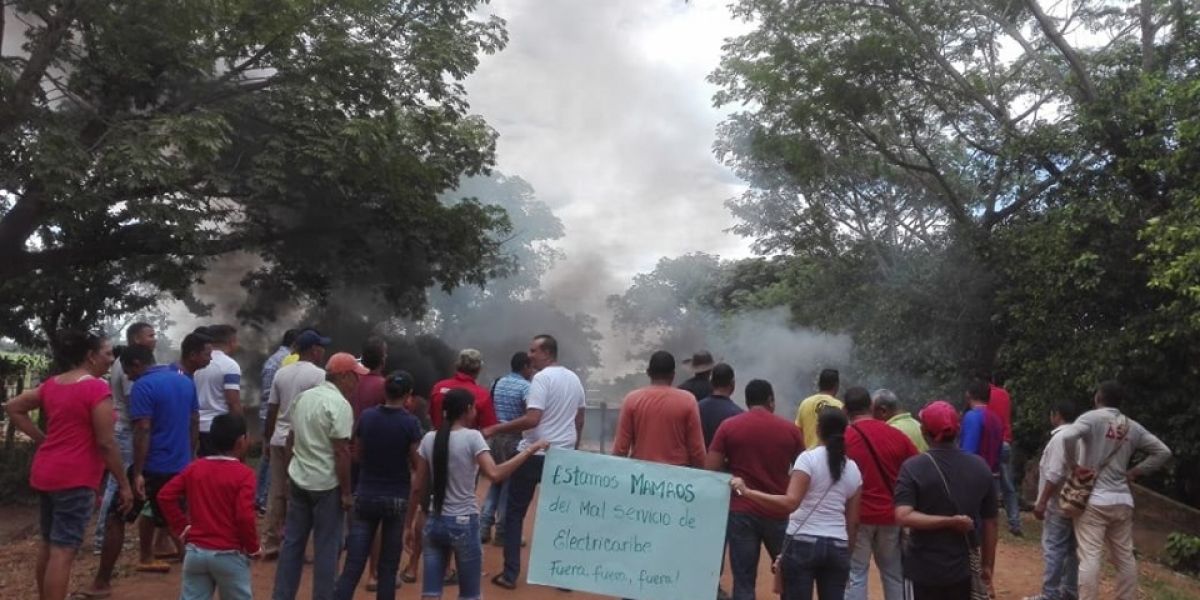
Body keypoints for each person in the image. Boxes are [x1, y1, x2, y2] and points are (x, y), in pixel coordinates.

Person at [5, 330, 133, 600]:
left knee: (50, 544)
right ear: (90, 356)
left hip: (46, 472)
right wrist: (124, 484)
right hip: (75, 477)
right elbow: (107, 444)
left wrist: (44, 440)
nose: (112, 359)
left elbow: (14, 407)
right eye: (108, 353)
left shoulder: (53, 384)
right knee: (64, 551)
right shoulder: (97, 388)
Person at [406, 389, 549, 600]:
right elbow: (495, 474)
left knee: (431, 593)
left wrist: (408, 524)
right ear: (467, 410)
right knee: (470, 594)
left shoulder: (429, 438)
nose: (476, 411)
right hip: (463, 522)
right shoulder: (472, 437)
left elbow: (418, 486)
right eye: (474, 407)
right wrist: (530, 450)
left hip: (434, 521)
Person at [82, 344, 197, 598]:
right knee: (179, 525)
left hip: (153, 467)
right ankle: (202, 585)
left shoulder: (143, 387)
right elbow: (193, 422)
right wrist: (189, 457)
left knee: (116, 517)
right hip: (179, 465)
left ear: (136, 364)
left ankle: (101, 583)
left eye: (126, 371)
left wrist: (137, 474)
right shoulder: (184, 381)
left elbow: (142, 430)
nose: (128, 377)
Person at [483, 334, 586, 590]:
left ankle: (510, 575)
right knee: (562, 515)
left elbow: (532, 420)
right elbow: (580, 417)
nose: (529, 355)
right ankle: (563, 577)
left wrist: (497, 428)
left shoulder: (541, 378)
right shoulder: (574, 378)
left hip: (533, 455)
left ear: (547, 353)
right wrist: (573, 444)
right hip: (562, 456)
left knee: (515, 513)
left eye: (533, 351)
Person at [731, 408, 862, 600]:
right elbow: (853, 521)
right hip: (838, 545)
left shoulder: (808, 459)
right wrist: (845, 553)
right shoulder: (853, 469)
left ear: (818, 429)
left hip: (803, 542)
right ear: (845, 432)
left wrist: (748, 492)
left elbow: (790, 503)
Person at [1060, 381, 1172, 600]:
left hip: (1093, 499)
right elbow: (1163, 451)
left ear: (1097, 397)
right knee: (1124, 558)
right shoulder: (1132, 427)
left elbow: (1067, 436)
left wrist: (1074, 465)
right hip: (1122, 499)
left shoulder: (1090, 418)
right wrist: (1135, 472)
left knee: (1090, 556)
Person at [271, 352, 367, 600]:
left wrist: (290, 475)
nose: (357, 383)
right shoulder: (340, 405)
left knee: (292, 544)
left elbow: (291, 439)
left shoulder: (304, 398)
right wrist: (346, 493)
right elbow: (341, 452)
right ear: (344, 376)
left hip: (300, 480)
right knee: (326, 549)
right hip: (327, 485)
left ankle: (282, 596)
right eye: (356, 377)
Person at [706, 379, 804, 600]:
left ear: (747, 401)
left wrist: (732, 469)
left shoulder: (729, 427)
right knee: (788, 575)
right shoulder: (790, 430)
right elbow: (803, 471)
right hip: (778, 511)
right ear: (771, 400)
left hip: (742, 510)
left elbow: (710, 467)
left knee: (744, 580)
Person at [893, 400, 998, 600]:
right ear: (958, 430)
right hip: (962, 570)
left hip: (921, 569)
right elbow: (990, 522)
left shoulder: (912, 467)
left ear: (924, 431)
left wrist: (948, 521)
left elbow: (903, 516)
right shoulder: (980, 466)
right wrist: (986, 565)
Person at [335, 371, 423, 600]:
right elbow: (416, 463)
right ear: (408, 395)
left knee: (353, 565)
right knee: (388, 567)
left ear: (385, 391)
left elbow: (357, 455)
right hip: (396, 498)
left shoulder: (367, 417)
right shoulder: (410, 423)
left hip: (365, 495)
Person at [158, 413, 260, 600]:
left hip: (196, 553)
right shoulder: (245, 475)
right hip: (229, 554)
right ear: (240, 442)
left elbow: (165, 496)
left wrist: (182, 527)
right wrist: (253, 547)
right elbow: (244, 517)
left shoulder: (195, 468)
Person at [843, 387, 917, 600]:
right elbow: (915, 470)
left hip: (857, 517)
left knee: (856, 573)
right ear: (871, 407)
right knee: (894, 574)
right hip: (891, 516)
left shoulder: (843, 439)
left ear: (846, 410)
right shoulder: (897, 436)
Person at [261, 329, 330, 558]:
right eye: (321, 348)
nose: (323, 351)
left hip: (278, 438)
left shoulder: (282, 373)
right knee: (299, 494)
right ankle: (295, 546)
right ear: (313, 350)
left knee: (276, 493)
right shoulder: (318, 375)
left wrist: (266, 439)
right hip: (301, 441)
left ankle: (270, 543)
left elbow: (272, 410)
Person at [92, 322, 156, 554]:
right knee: (118, 482)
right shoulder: (128, 366)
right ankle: (103, 537)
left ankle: (106, 535)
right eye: (150, 335)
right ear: (136, 339)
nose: (154, 339)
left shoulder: (125, 361)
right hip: (128, 429)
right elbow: (134, 399)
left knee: (118, 482)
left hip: (127, 427)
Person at [346, 335, 390, 591]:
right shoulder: (384, 387)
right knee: (380, 520)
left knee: (356, 513)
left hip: (354, 452)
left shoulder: (353, 383)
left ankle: (351, 570)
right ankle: (373, 574)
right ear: (383, 358)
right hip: (378, 459)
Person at [1026, 401, 1082, 600]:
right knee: (1071, 550)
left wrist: (1042, 502)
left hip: (1058, 502)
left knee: (1054, 548)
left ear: (1056, 415)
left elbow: (1054, 474)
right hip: (1075, 502)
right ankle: (1069, 591)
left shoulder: (1060, 438)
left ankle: (1050, 594)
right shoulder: (1080, 436)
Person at [611, 351, 706, 467]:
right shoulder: (688, 401)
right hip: (677, 478)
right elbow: (697, 451)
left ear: (648, 373)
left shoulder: (632, 400)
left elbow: (620, 449)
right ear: (673, 375)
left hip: (641, 476)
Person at [481, 351, 534, 546]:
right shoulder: (527, 387)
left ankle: (484, 525)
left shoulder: (497, 382)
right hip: (513, 439)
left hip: (495, 438)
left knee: (495, 480)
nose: (532, 371)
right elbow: (531, 415)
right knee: (509, 483)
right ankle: (502, 531)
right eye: (531, 367)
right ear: (525, 367)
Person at [257, 328, 299, 514]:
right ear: (296, 344)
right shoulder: (286, 361)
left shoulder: (273, 359)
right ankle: (265, 499)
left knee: (267, 458)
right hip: (275, 414)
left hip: (268, 413)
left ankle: (259, 497)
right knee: (274, 460)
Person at [979, 372, 1023, 536]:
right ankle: (1015, 522)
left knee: (990, 482)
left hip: (990, 443)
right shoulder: (1004, 394)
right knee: (1008, 486)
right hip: (1006, 442)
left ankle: (989, 519)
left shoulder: (983, 396)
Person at [194, 324, 242, 457]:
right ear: (231, 342)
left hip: (195, 426)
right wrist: (241, 428)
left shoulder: (197, 361)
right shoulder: (230, 365)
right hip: (218, 428)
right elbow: (233, 401)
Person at [429, 348, 498, 430]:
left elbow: (431, 415)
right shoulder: (482, 394)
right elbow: (489, 427)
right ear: (479, 369)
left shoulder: (438, 387)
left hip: (438, 439)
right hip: (468, 442)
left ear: (457, 365)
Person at [796, 369, 843, 449]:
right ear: (836, 385)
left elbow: (798, 432)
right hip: (832, 457)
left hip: (808, 457)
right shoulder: (840, 406)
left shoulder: (805, 403)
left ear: (819, 384)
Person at [698, 363, 742, 448]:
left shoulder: (697, 408)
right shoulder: (738, 415)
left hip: (698, 459)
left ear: (711, 383)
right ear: (732, 384)